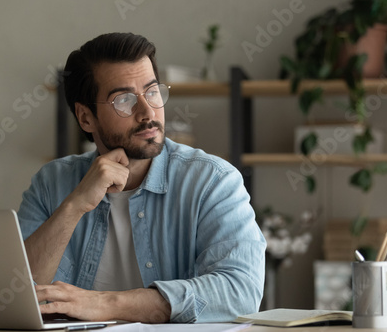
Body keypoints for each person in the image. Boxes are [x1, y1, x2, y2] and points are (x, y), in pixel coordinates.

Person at [18, 32, 266, 323]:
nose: (148, 111)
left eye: (152, 91)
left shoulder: (213, 181)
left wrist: (107, 304)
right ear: (86, 118)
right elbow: (15, 294)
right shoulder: (52, 183)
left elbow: (240, 292)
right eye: (123, 100)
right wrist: (74, 206)